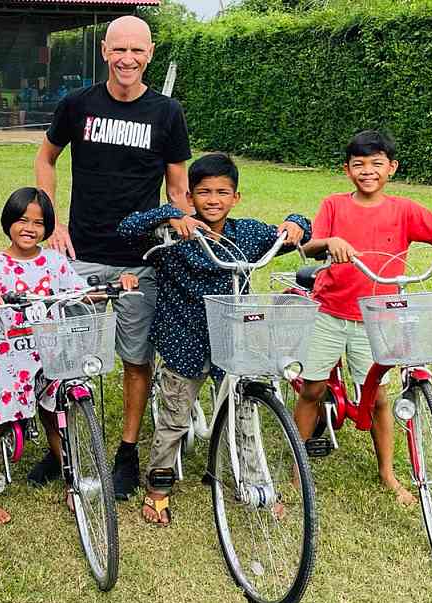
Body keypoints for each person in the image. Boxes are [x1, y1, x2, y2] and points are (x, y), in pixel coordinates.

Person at [34, 15, 204, 500]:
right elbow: (45, 158)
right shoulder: (78, 105)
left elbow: (176, 185)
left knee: (135, 359)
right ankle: (60, 446)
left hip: (140, 258)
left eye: (137, 50)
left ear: (150, 53)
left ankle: (127, 452)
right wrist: (53, 222)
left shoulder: (167, 112)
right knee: (66, 359)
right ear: (105, 51)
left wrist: (187, 225)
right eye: (118, 49)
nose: (127, 59)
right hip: (82, 253)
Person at [118, 153, 310, 524]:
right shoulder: (173, 231)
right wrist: (169, 215)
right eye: (203, 192)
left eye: (223, 192)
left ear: (236, 197)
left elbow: (291, 234)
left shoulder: (247, 234)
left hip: (233, 338)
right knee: (174, 418)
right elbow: (128, 228)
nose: (213, 200)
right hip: (183, 339)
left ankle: (256, 484)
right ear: (189, 196)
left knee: (244, 412)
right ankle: (158, 486)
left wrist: (296, 224)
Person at [294, 130, 432, 506]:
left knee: (378, 398)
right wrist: (329, 242)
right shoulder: (334, 205)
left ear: (391, 168)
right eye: (359, 164)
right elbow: (309, 245)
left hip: (375, 318)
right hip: (329, 311)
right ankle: (298, 472)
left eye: (377, 164)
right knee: (311, 389)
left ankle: (387, 473)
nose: (367, 171)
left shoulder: (404, 210)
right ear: (347, 170)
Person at [0, 188, 136, 524]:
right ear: (8, 223)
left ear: (47, 228)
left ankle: (73, 482)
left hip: (51, 354)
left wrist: (116, 284)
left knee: (57, 418)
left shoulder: (55, 263)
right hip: (9, 361)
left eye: (38, 222)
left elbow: (82, 294)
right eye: (22, 220)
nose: (29, 228)